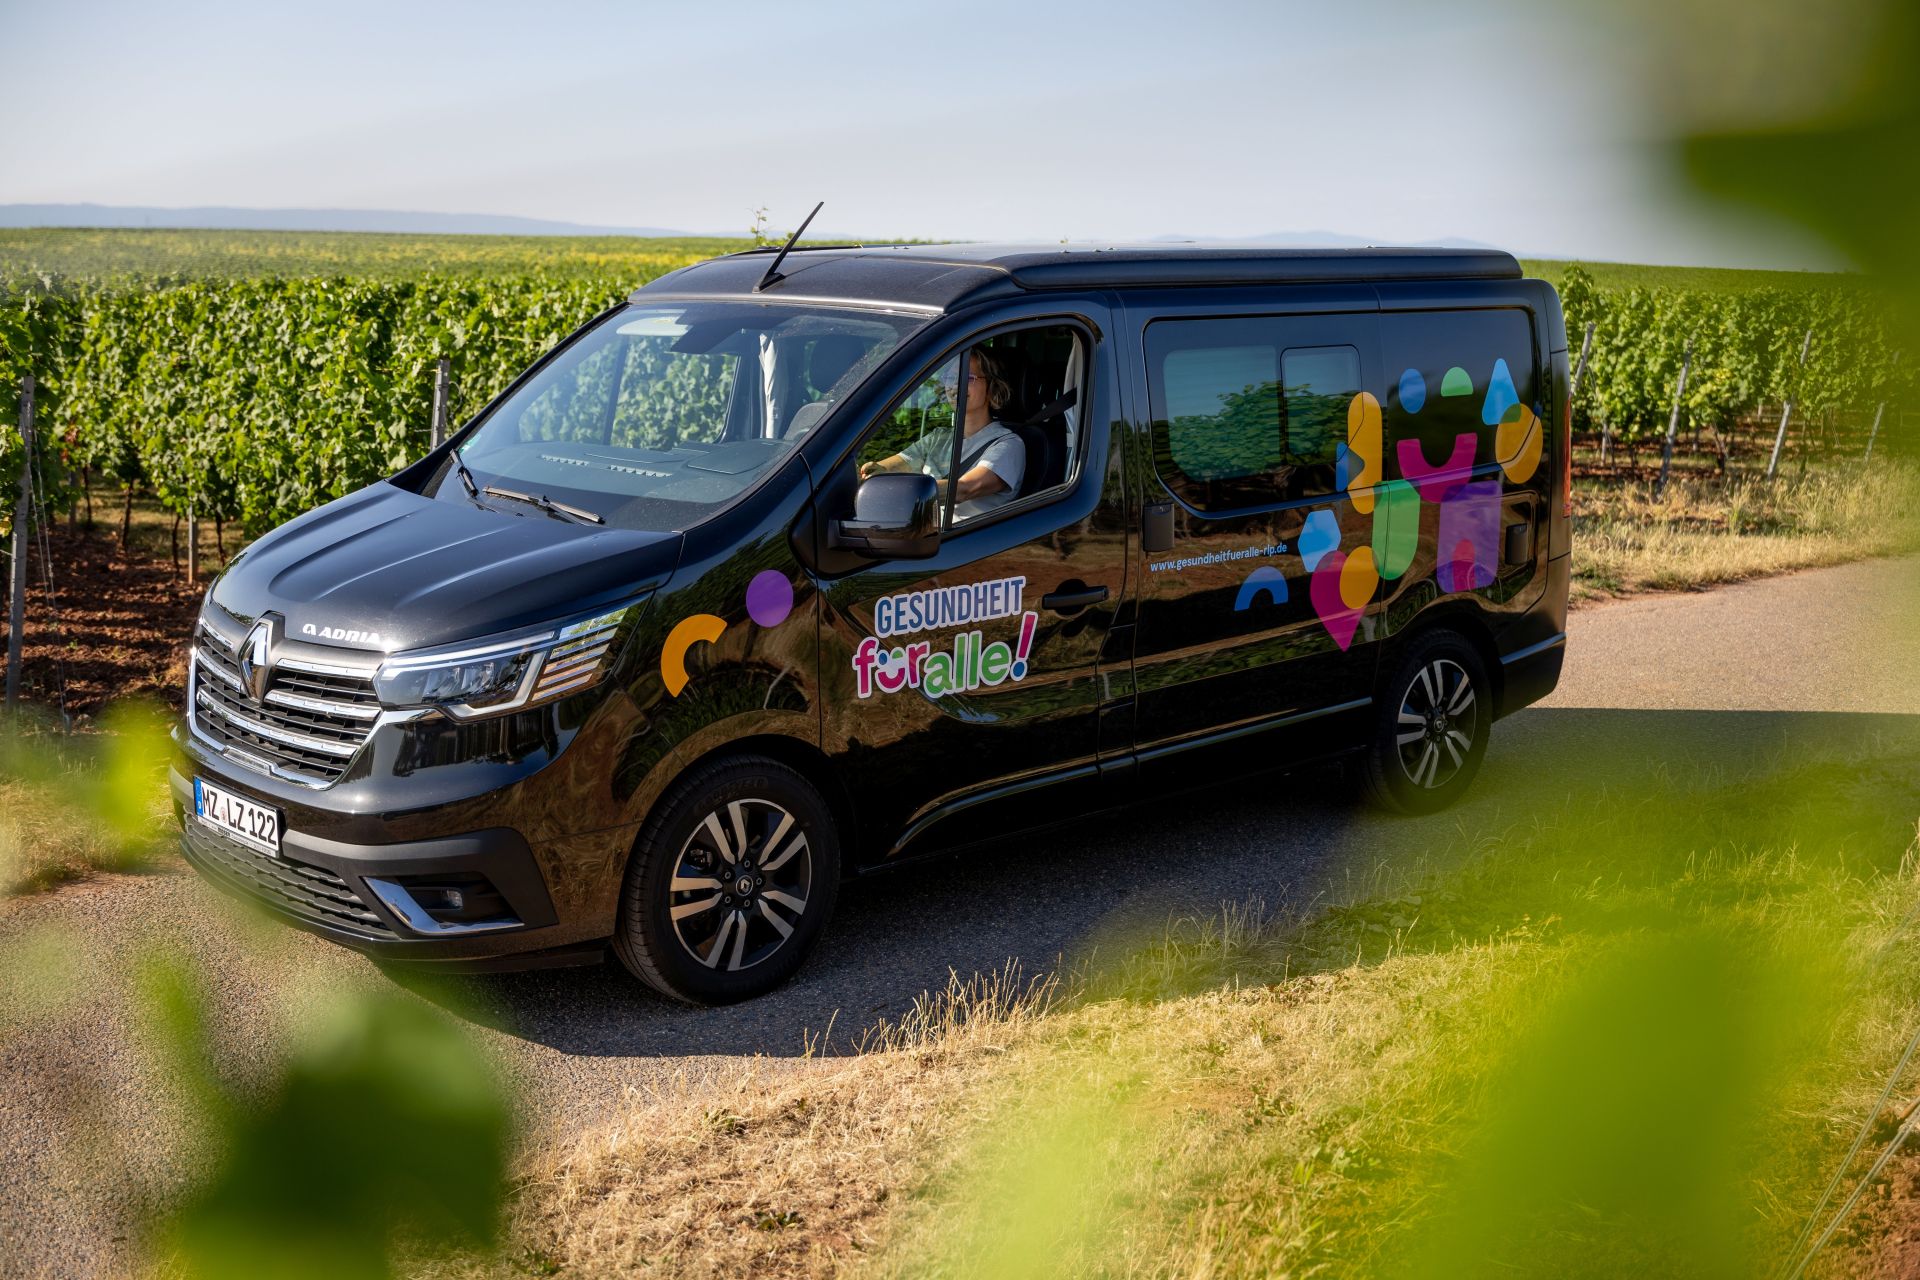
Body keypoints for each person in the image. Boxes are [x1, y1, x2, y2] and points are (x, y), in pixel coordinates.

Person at [861, 348, 1025, 522]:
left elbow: (964, 489)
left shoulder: (1008, 445)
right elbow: (902, 463)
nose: (955, 386)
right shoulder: (939, 437)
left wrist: (896, 492)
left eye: (967, 378)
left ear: (992, 387)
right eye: (950, 378)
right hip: (922, 533)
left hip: (964, 542)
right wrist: (874, 472)